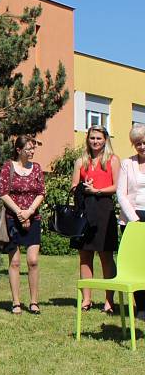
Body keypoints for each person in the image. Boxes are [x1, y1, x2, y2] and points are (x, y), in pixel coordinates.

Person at [71, 125, 120, 314]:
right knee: (84, 255)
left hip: (104, 210)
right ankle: (87, 299)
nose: (95, 141)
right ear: (88, 139)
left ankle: (109, 300)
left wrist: (98, 190)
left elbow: (117, 186)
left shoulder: (112, 160)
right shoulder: (81, 161)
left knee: (106, 255)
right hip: (85, 210)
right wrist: (83, 186)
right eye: (92, 138)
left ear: (105, 139)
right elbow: (74, 187)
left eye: (99, 138)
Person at [0, 136, 45, 315]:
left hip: (33, 218)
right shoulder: (8, 167)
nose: (32, 152)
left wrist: (29, 211)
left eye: (33, 149)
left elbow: (41, 192)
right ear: (18, 150)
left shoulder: (37, 168)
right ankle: (16, 302)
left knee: (33, 261)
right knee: (15, 262)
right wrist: (19, 212)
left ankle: (34, 302)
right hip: (12, 219)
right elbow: (3, 193)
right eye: (28, 149)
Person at [116, 123, 145, 320]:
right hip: (132, 220)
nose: (141, 146)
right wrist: (134, 219)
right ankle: (141, 307)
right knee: (136, 265)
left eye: (143, 142)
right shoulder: (127, 163)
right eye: (137, 144)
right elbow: (121, 192)